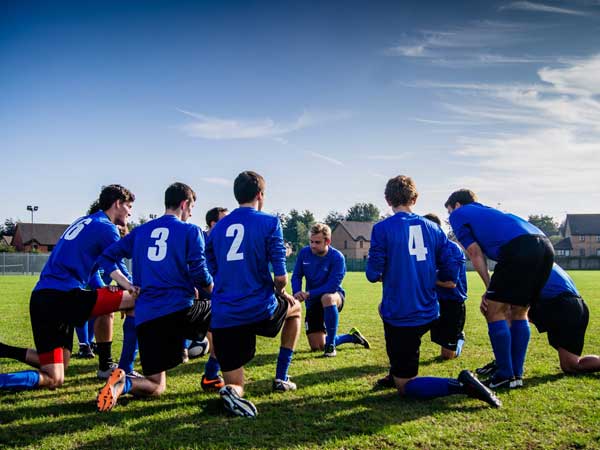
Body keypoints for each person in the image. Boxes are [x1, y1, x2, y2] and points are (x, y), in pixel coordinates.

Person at [366, 175, 500, 408]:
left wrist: (388, 270)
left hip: (402, 315)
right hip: (430, 310)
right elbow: (454, 258)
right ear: (415, 199)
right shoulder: (433, 229)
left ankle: (461, 385)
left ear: (388, 200)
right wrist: (437, 277)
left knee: (405, 386)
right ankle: (397, 368)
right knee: (387, 315)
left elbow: (372, 273)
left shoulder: (382, 229)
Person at [0, 185, 138, 392]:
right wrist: (131, 287)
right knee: (137, 298)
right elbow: (114, 266)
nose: (130, 212)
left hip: (43, 298)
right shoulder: (106, 227)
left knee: (56, 373)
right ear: (117, 203)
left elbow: (92, 270)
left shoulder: (84, 221)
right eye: (128, 206)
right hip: (63, 297)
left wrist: (110, 290)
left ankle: (3, 349)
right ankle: (120, 368)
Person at [95, 182, 214, 412]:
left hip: (147, 318)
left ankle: (124, 382)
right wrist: (216, 290)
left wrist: (127, 284)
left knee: (156, 385)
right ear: (184, 204)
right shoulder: (191, 231)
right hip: (179, 311)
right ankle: (215, 375)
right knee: (223, 313)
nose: (191, 213)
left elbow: (106, 258)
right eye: (191, 208)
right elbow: (200, 273)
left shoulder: (141, 231)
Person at [206, 170, 302, 417]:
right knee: (296, 310)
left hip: (225, 314)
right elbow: (281, 277)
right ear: (260, 194)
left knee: (236, 383)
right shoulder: (270, 222)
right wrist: (281, 292)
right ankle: (281, 376)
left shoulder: (216, 229)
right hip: (259, 309)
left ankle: (231, 392)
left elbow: (212, 269)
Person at [445, 189, 554, 389]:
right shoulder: (487, 212)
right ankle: (516, 375)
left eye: (450, 211)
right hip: (545, 245)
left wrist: (489, 287)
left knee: (493, 310)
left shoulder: (459, 214)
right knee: (520, 311)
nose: (450, 216)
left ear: (457, 205)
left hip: (519, 248)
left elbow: (474, 252)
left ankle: (504, 373)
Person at [477, 264, 600, 377]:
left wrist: (489, 296)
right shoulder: (540, 253)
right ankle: (505, 361)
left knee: (502, 309)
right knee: (571, 366)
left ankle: (503, 363)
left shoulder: (521, 257)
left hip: (561, 305)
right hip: (577, 306)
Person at [291, 222, 370, 357]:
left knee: (327, 297)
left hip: (334, 297)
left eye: (317, 242)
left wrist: (309, 293)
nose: (313, 245)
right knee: (317, 346)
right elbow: (297, 276)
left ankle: (331, 346)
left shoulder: (337, 257)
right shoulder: (304, 253)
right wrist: (297, 292)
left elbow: (331, 286)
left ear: (327, 241)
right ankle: (351, 337)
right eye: (311, 242)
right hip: (312, 301)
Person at [423, 213, 467, 360]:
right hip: (434, 300)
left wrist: (425, 278)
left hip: (452, 302)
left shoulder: (451, 249)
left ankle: (459, 340)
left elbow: (450, 283)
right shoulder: (426, 249)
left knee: (447, 356)